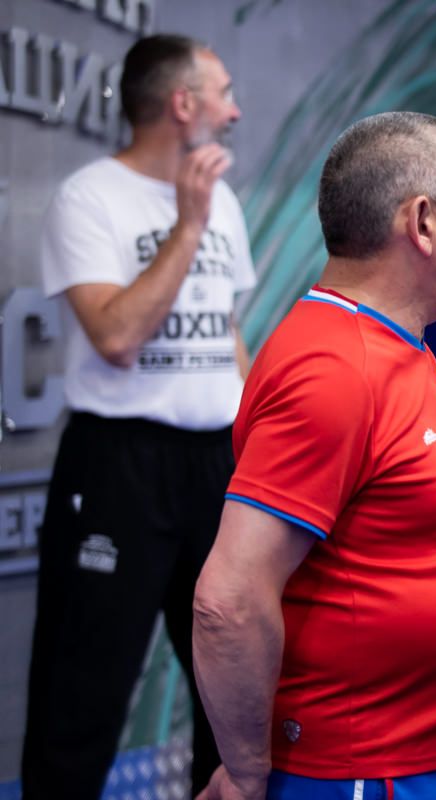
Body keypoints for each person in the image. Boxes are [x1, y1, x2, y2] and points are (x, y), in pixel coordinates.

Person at [191, 112, 436, 800]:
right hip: (365, 769)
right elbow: (229, 599)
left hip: (422, 757)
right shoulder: (333, 367)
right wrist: (246, 772)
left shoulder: (392, 345)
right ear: (422, 222)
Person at [23, 34, 252, 799]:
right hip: (118, 465)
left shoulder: (225, 202)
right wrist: (186, 227)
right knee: (81, 695)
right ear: (183, 104)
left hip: (217, 464)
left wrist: (256, 434)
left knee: (230, 691)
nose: (234, 110)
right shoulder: (89, 198)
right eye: (222, 93)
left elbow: (225, 331)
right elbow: (117, 337)